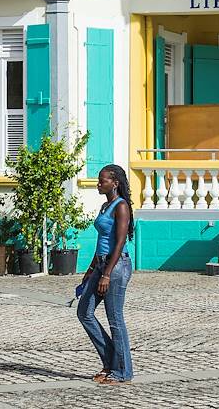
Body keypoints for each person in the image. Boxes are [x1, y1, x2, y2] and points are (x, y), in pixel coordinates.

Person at [75, 163, 133, 383]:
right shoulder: (104, 206)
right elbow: (102, 240)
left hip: (116, 268)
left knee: (115, 320)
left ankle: (123, 372)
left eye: (103, 180)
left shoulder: (121, 207)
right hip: (101, 265)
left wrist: (107, 274)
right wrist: (91, 270)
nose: (99, 184)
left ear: (115, 182)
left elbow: (119, 242)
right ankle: (110, 361)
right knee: (84, 312)